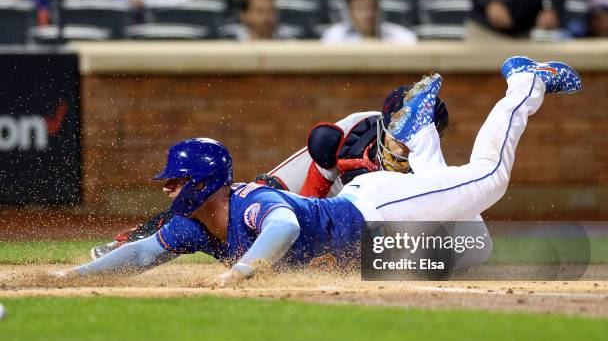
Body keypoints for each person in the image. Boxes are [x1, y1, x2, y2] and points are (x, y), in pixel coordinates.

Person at [57, 56, 582, 287]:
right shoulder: (198, 222)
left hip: (374, 212)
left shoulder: (248, 203)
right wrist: (72, 277)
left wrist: (243, 271)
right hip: (369, 251)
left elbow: (282, 227)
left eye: (175, 180)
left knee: (489, 180)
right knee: (475, 247)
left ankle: (524, 84)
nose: (168, 189)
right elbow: (145, 253)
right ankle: (420, 135)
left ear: (201, 183)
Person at [89, 89, 451, 260]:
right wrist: (321, 180)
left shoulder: (429, 165)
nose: (404, 141)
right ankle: (132, 239)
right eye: (399, 130)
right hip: (331, 175)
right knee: (257, 192)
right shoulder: (355, 129)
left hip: (368, 202)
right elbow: (311, 193)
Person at [321, 0, 417, 43]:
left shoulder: (402, 36)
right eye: (360, 9)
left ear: (379, 9)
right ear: (349, 12)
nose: (367, 14)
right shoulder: (332, 37)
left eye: (371, 7)